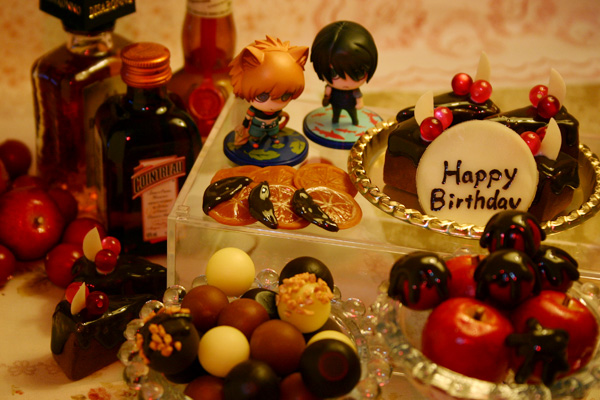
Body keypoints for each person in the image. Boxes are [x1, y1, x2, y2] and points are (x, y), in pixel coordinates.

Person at [229, 36, 308, 148]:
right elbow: (248, 117)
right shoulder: (251, 108)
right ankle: (255, 141)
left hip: (273, 126)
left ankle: (273, 138)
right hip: (257, 127)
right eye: (262, 97)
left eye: (285, 96)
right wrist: (245, 125)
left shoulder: (276, 111)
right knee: (256, 134)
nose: (274, 105)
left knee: (273, 132)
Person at [311, 21, 378, 125]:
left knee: (353, 115)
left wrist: (359, 103)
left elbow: (358, 97)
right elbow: (327, 94)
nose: (345, 81)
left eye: (358, 73)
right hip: (336, 104)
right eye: (334, 73)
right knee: (336, 115)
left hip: (350, 105)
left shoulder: (355, 91)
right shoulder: (331, 88)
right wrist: (326, 96)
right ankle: (335, 121)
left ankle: (355, 122)